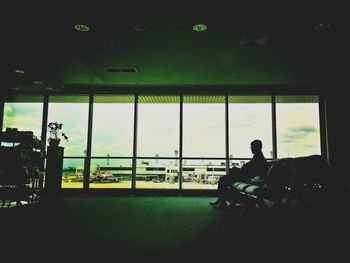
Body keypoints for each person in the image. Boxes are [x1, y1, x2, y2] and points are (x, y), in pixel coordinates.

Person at [210, 139, 268, 209]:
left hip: (246, 178)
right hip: (246, 177)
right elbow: (249, 169)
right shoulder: (258, 157)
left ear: (258, 147)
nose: (251, 149)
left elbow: (249, 170)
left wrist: (239, 169)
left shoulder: (258, 158)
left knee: (223, 179)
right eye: (251, 147)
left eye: (252, 147)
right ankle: (221, 200)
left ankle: (222, 202)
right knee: (227, 176)